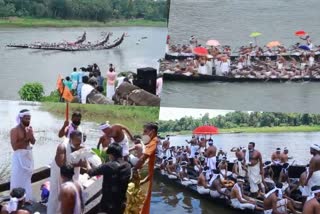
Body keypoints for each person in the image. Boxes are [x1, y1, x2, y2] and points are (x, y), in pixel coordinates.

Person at [47, 131, 85, 214]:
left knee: (72, 192)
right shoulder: (62, 147)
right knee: (55, 195)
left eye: (80, 143)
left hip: (72, 173)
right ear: (71, 139)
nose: (78, 145)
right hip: (58, 173)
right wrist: (79, 164)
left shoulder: (81, 146)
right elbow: (61, 164)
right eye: (76, 143)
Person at [87, 143, 131, 214]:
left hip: (108, 204)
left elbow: (91, 172)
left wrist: (87, 164)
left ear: (111, 154)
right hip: (121, 203)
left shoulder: (109, 166)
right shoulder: (128, 166)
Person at [132, 123, 158, 214]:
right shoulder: (152, 142)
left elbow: (143, 159)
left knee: (144, 201)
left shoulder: (154, 142)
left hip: (149, 177)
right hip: (149, 176)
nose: (143, 134)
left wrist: (133, 170)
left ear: (152, 131)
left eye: (145, 131)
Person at [10, 109, 36, 202]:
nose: (28, 120)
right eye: (26, 118)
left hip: (27, 157)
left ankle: (27, 198)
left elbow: (33, 142)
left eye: (29, 118)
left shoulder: (29, 128)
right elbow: (14, 147)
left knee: (27, 179)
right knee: (17, 178)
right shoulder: (14, 130)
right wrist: (26, 138)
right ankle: (16, 200)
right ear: (21, 118)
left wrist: (31, 135)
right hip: (18, 159)